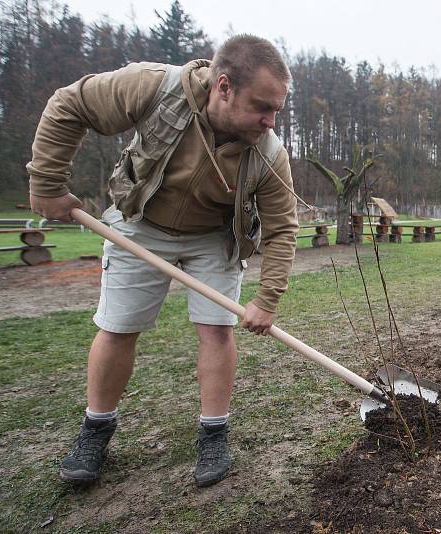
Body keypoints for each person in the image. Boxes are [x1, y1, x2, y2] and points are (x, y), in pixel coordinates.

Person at [27, 35, 299, 487]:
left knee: (216, 329)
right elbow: (68, 104)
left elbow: (282, 229)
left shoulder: (268, 153)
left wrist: (267, 300)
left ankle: (214, 433)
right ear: (224, 86)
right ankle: (96, 428)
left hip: (215, 237)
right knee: (117, 328)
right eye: (262, 106)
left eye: (277, 110)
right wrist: (48, 183)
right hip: (141, 222)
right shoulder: (154, 88)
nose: (270, 122)